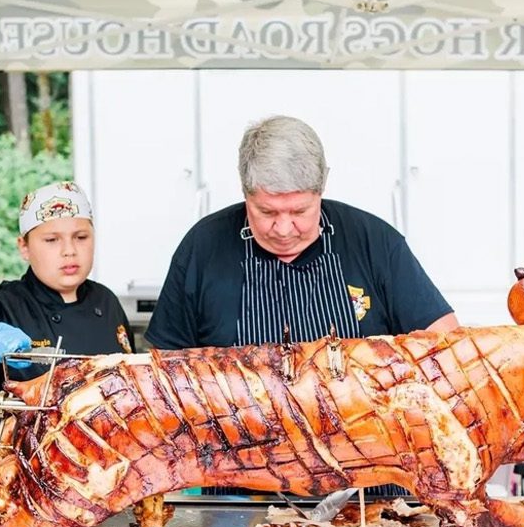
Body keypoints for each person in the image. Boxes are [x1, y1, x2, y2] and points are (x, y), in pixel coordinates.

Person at [145, 115, 459, 351]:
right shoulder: (203, 247)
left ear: (321, 189)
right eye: (266, 212)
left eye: (299, 212)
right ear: (245, 192)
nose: (283, 230)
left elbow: (447, 347)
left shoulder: (374, 241)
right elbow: (161, 370)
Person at [0, 180, 134, 398]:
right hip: (19, 432)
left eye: (81, 237)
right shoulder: (1, 305)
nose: (69, 250)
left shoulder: (106, 301)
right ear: (24, 247)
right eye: (52, 240)